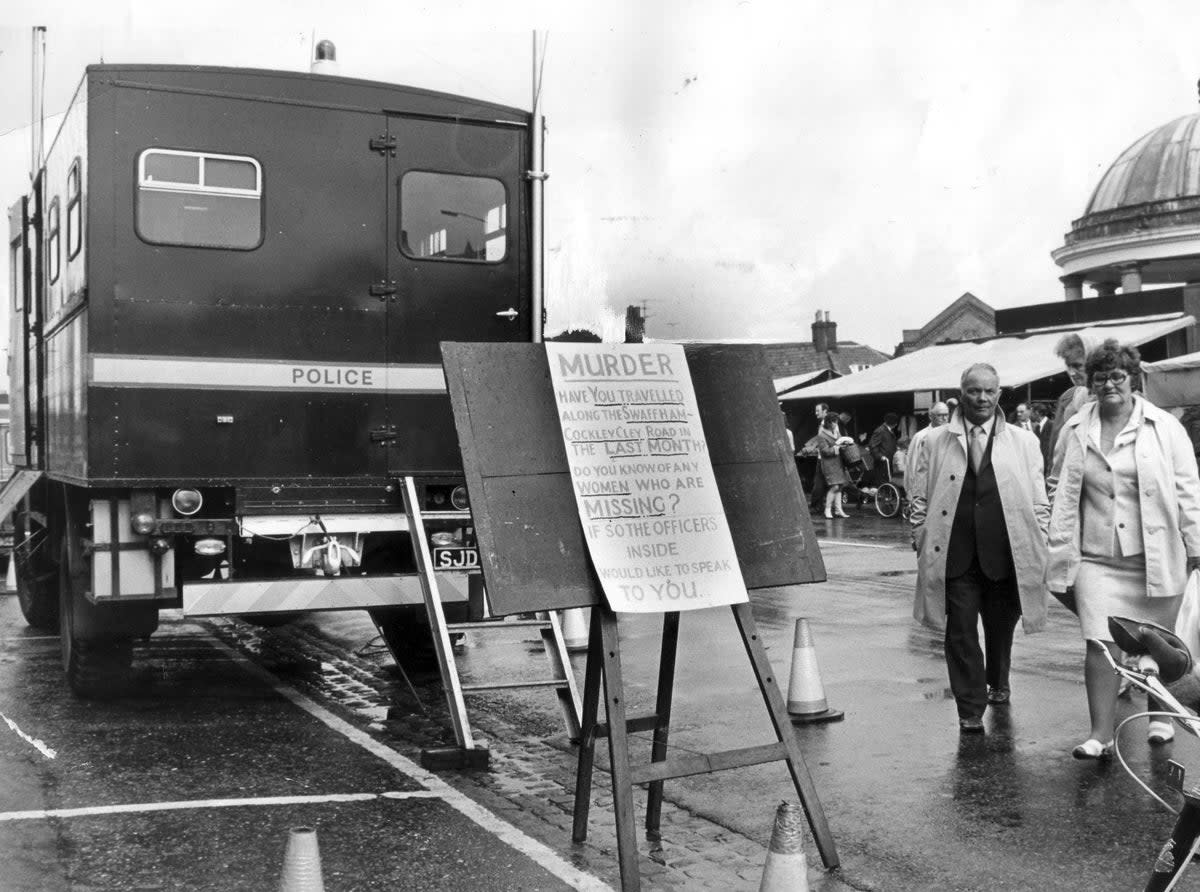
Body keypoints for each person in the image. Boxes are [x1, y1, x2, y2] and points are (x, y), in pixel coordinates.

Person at [1046, 339, 1200, 759]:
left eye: (1118, 376)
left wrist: (1196, 544)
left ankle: (1161, 718)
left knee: (1158, 643)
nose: (1110, 384)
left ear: (1133, 379)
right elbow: (1058, 485)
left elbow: (1189, 489)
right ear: (1091, 384)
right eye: (1101, 377)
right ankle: (1100, 732)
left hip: (1157, 554)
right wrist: (1055, 538)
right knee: (1100, 642)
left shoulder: (1165, 427)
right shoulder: (1076, 428)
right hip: (1097, 557)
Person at [909, 363, 1049, 734]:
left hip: (1005, 550)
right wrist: (920, 535)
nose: (982, 398)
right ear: (961, 393)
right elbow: (919, 497)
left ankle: (998, 679)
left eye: (989, 391)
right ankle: (970, 707)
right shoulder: (934, 440)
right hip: (954, 551)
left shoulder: (1024, 441)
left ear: (1000, 395)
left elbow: (1039, 500)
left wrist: (1042, 539)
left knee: (1001, 625)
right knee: (960, 630)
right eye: (974, 391)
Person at [904, 402, 949, 484]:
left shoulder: (952, 436)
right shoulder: (920, 437)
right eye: (940, 415)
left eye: (946, 415)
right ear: (930, 416)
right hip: (927, 484)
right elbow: (912, 465)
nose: (944, 418)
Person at [816, 414, 850, 519]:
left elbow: (840, 444)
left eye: (836, 422)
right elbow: (825, 451)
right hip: (828, 463)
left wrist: (844, 445)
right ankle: (827, 509)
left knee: (840, 486)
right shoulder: (821, 435)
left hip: (838, 462)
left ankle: (838, 509)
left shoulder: (836, 432)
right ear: (828, 422)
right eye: (834, 422)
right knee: (834, 486)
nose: (836, 424)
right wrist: (837, 447)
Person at [868, 413, 901, 485]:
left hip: (889, 460)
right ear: (895, 423)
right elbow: (872, 445)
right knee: (882, 481)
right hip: (882, 462)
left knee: (888, 480)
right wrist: (880, 456)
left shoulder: (888, 430)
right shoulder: (880, 430)